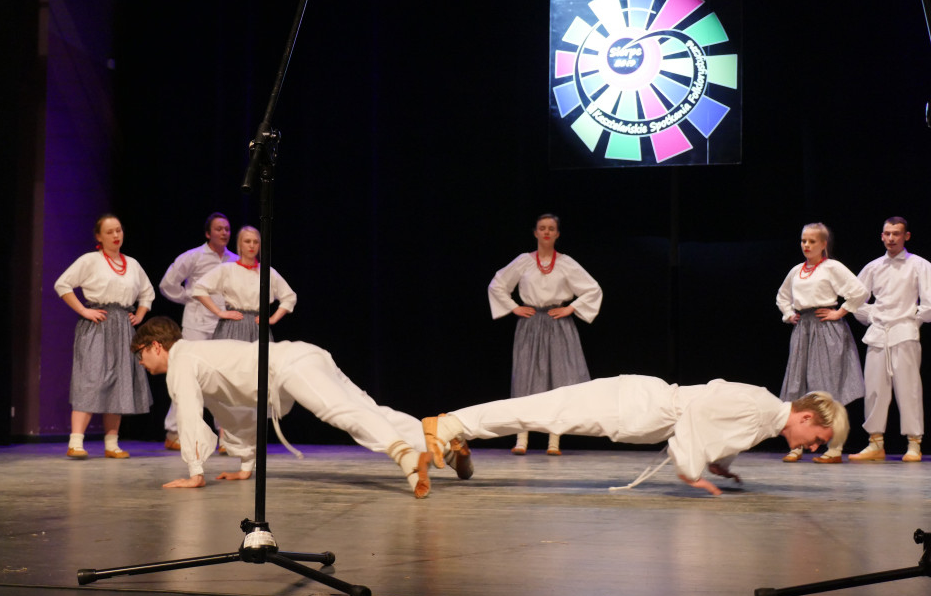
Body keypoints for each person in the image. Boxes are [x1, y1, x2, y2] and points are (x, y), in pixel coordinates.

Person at [130, 316, 468, 497]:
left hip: (289, 366)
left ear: (156, 346)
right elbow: (232, 412)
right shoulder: (197, 355)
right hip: (304, 354)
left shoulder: (181, 362)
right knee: (366, 407)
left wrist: (194, 473)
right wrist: (246, 464)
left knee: (340, 411)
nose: (142, 362)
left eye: (141, 353)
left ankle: (405, 455)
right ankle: (440, 446)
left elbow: (189, 414)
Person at [422, 376, 847, 496]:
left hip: (640, 412)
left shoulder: (766, 419)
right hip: (635, 403)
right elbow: (699, 410)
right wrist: (689, 469)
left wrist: (718, 464)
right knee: (539, 410)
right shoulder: (759, 406)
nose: (812, 448)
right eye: (817, 438)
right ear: (807, 416)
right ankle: (451, 426)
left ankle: (460, 431)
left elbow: (717, 429)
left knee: (541, 413)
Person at [488, 213, 602, 455]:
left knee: (559, 380)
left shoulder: (566, 263)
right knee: (526, 378)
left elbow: (592, 289)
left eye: (551, 228)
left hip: (558, 324)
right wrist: (514, 307)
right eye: (542, 228)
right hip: (531, 325)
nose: (547, 232)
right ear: (535, 233)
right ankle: (521, 439)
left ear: (557, 234)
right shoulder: (523, 261)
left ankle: (554, 441)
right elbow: (497, 284)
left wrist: (570, 308)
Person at [54, 214, 155, 459]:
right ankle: (76, 442)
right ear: (99, 236)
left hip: (123, 326)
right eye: (109, 232)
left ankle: (112, 444)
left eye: (118, 230)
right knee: (91, 379)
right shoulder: (90, 260)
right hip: (98, 325)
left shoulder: (132, 263)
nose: (116, 235)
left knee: (118, 382)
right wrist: (83, 310)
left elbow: (147, 293)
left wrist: (139, 315)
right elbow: (62, 285)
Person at [775, 222, 868, 463]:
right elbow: (783, 296)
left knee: (828, 387)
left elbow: (859, 291)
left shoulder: (832, 267)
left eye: (812, 241)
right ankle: (797, 444)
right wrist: (788, 314)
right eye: (804, 241)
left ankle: (835, 448)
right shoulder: (797, 270)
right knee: (798, 385)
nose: (806, 245)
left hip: (826, 329)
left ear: (823, 244)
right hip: (804, 329)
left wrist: (840, 312)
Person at [848, 217, 931, 462]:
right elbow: (854, 299)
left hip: (904, 333)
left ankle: (914, 443)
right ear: (882, 236)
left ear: (906, 236)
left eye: (896, 233)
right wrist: (873, 315)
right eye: (887, 233)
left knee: (909, 389)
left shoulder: (920, 265)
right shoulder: (873, 267)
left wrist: (912, 321)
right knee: (874, 389)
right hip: (878, 335)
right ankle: (875, 442)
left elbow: (928, 303)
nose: (891, 238)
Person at [158, 213, 237, 450]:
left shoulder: (234, 260)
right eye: (219, 229)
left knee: (221, 380)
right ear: (207, 233)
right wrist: (189, 298)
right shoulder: (193, 257)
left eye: (227, 229)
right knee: (187, 377)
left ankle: (225, 436)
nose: (224, 233)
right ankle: (174, 433)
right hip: (196, 325)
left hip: (223, 326)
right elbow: (167, 284)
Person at [192, 225, 297, 342]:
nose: (252, 245)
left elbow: (289, 297)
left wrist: (272, 319)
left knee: (257, 360)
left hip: (257, 327)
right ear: (240, 244)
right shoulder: (227, 269)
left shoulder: (267, 272)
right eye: (247, 241)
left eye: (255, 242)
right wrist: (219, 312)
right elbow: (199, 288)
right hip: (232, 325)